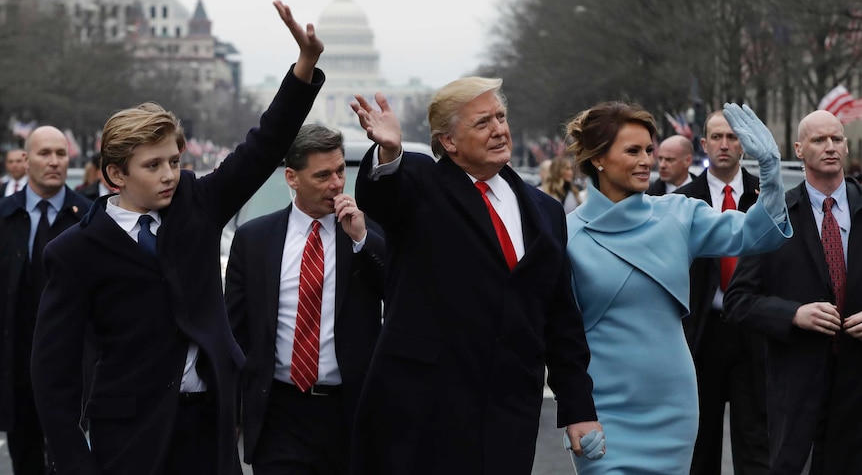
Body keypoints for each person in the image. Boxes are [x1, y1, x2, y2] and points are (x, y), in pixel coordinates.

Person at [29, 1, 324, 475]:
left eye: (173, 160)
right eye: (153, 166)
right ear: (114, 175)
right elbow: (52, 376)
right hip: (129, 438)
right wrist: (74, 464)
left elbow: (264, 145)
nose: (170, 175)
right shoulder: (73, 253)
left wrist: (304, 67)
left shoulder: (198, 205)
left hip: (210, 431)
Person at [348, 78, 602, 474]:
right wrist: (391, 152)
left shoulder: (545, 210)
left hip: (508, 412)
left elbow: (560, 320)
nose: (500, 129)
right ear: (448, 142)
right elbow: (382, 195)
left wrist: (578, 409)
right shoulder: (420, 184)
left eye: (501, 117)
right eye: (482, 123)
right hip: (423, 411)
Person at [563, 101, 791, 475]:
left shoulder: (678, 214)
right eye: (633, 150)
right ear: (599, 159)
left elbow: (757, 235)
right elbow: (561, 339)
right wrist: (576, 410)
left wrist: (769, 170)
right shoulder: (566, 235)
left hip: (673, 408)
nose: (646, 161)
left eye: (649, 150)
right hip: (603, 414)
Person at [225, 124, 385, 474]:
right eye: (323, 175)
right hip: (279, 413)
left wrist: (361, 239)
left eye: (341, 171)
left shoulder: (366, 232)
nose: (336, 184)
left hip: (347, 412)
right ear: (292, 178)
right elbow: (235, 333)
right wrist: (231, 413)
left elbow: (397, 290)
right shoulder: (254, 239)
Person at [724, 109, 862, 474]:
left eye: (836, 139)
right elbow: (737, 300)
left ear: (846, 147)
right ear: (799, 149)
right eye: (819, 140)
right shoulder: (775, 215)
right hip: (797, 383)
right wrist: (793, 314)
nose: (830, 147)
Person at [675, 110, 771, 474]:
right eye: (717, 137)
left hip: (753, 330)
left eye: (732, 137)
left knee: (755, 441)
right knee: (702, 441)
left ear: (743, 145)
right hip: (703, 332)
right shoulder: (684, 200)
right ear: (703, 144)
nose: (725, 144)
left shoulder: (766, 196)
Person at [0, 126, 91, 475]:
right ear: (25, 160)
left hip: (73, 373)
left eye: (61, 153)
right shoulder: (5, 216)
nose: (54, 161)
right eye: (44, 153)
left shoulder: (89, 219)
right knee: (24, 459)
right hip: (15, 368)